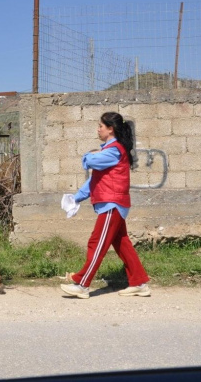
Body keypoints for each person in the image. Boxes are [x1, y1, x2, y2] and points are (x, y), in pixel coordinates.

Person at [60, 112, 150, 299]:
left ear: (110, 129)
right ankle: (139, 282)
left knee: (97, 243)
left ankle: (82, 283)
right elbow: (94, 180)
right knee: (122, 244)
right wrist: (76, 198)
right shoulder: (110, 150)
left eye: (100, 126)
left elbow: (89, 161)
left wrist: (88, 154)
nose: (98, 129)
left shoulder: (114, 150)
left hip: (112, 204)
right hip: (113, 204)